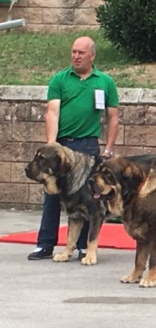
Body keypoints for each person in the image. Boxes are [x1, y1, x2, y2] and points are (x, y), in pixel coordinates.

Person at [27, 36, 120, 261]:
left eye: (81, 52)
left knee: (88, 197)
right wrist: (52, 144)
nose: (76, 56)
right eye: (73, 52)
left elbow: (113, 117)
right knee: (52, 196)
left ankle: (82, 246)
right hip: (63, 146)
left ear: (92, 55)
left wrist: (108, 148)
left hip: (88, 144)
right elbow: (52, 112)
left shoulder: (105, 81)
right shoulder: (60, 79)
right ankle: (45, 244)